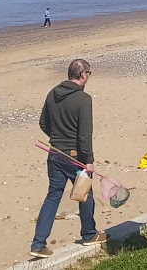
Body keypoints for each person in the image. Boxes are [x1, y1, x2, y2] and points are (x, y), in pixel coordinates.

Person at [30, 58, 102, 259]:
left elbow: (44, 123)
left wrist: (57, 137)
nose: (88, 77)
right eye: (88, 74)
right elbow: (84, 134)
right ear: (82, 75)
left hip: (54, 153)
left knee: (53, 196)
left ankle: (38, 243)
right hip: (73, 155)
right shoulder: (83, 99)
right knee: (84, 193)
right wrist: (89, 160)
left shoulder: (53, 93)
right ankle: (89, 234)